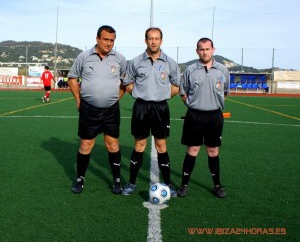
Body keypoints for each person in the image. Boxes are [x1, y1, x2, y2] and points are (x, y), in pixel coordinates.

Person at [122, 27, 181, 197]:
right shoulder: (135, 61)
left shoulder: (170, 62)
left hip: (160, 108)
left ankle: (168, 184)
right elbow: (127, 83)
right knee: (139, 144)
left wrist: (161, 95)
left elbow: (177, 86)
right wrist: (138, 94)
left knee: (161, 145)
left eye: (156, 38)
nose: (153, 41)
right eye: (150, 38)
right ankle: (131, 183)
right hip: (141, 107)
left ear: (161, 40)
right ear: (145, 40)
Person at [68, 25, 127, 195]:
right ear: (97, 39)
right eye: (106, 39)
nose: (109, 43)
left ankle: (116, 180)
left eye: (112, 40)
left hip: (111, 111)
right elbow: (72, 78)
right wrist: (78, 100)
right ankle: (80, 179)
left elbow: (125, 81)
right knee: (86, 144)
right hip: (89, 110)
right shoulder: (84, 57)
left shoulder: (120, 59)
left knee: (113, 145)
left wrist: (116, 99)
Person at [177, 37, 230, 198]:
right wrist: (193, 106)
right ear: (197, 51)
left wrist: (213, 104)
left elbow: (225, 92)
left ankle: (217, 185)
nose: (204, 52)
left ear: (213, 50)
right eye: (201, 49)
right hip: (194, 115)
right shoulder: (190, 70)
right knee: (192, 150)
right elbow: (183, 92)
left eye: (207, 49)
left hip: (214, 115)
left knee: (213, 150)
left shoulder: (222, 70)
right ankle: (184, 184)